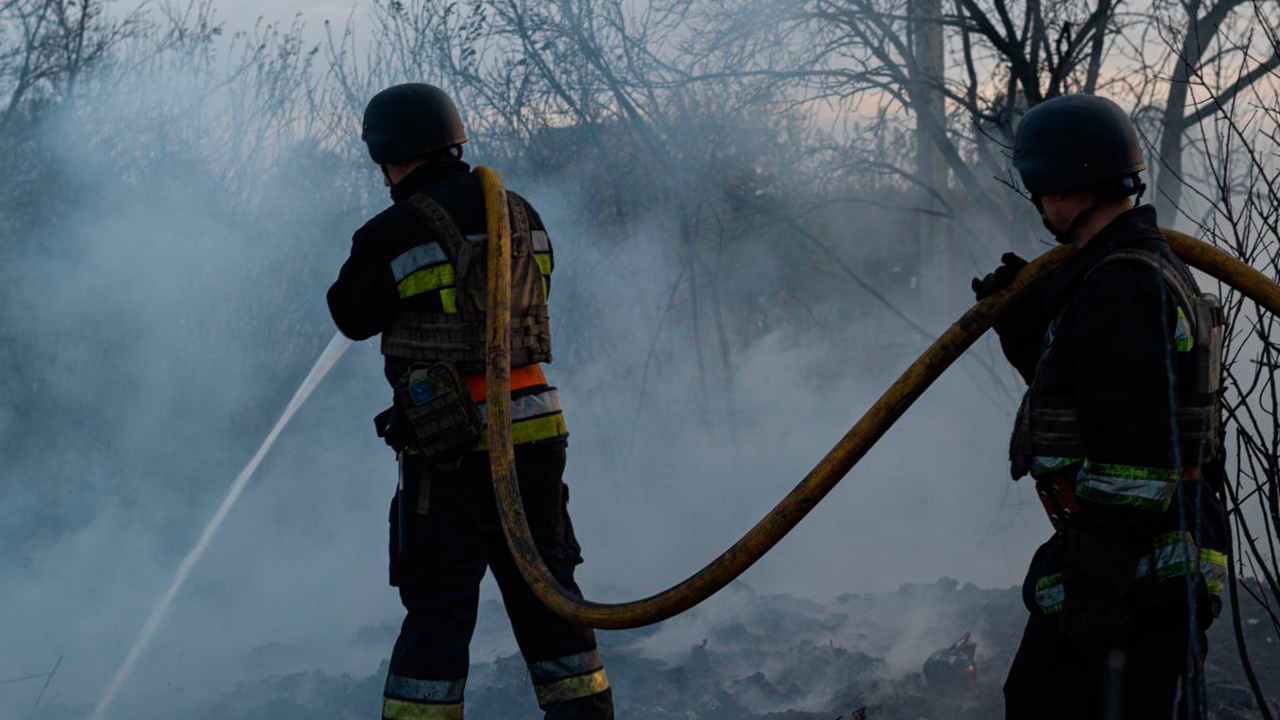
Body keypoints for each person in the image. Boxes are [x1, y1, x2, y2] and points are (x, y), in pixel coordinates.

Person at [327, 82, 614, 720]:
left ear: (393, 154)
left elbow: (351, 315)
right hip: (537, 439)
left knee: (439, 611)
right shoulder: (522, 213)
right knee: (551, 596)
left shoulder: (391, 232)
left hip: (451, 453)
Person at [971, 94, 1229, 720]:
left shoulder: (1122, 284)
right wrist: (1029, 329)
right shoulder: (1126, 273)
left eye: (1041, 188)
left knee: (1050, 705)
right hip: (1134, 548)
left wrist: (1095, 578)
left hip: (1134, 557)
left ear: (1063, 188)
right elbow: (1102, 401)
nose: (1039, 203)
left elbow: (1133, 450)